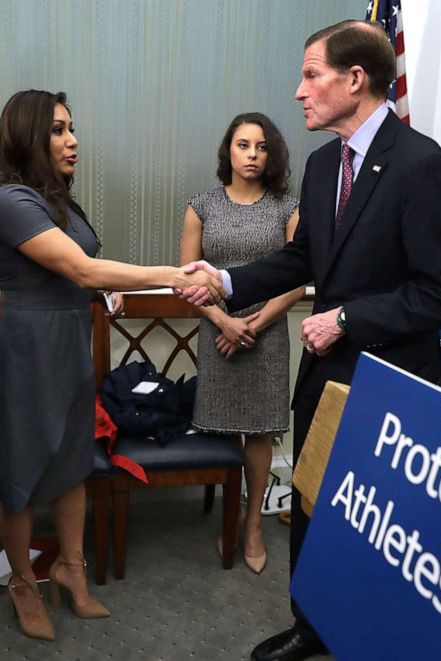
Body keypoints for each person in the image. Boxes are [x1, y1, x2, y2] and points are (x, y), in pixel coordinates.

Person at [181, 20, 441, 661]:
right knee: (314, 511)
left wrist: (346, 319)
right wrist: (225, 279)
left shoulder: (421, 165)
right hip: (324, 379)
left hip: (392, 384)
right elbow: (304, 259)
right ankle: (310, 628)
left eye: (311, 74)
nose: (298, 91)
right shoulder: (321, 166)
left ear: (355, 79)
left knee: (379, 524)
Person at [0, 89, 222, 641]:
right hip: (27, 350)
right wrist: (174, 274)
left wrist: (99, 296)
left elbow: (80, 277)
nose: (74, 141)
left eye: (73, 129)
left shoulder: (58, 202)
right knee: (20, 470)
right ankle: (23, 582)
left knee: (73, 462)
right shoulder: (10, 200)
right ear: (28, 135)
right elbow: (83, 268)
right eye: (60, 130)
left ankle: (71, 568)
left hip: (68, 344)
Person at [178, 112, 303, 574]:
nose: (252, 155)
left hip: (266, 337)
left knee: (261, 431)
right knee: (227, 431)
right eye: (243, 145)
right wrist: (225, 323)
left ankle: (252, 525)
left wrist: (253, 323)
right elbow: (186, 280)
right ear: (227, 151)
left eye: (262, 147)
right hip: (218, 334)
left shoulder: (288, 208)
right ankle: (229, 519)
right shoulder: (202, 206)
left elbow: (297, 278)